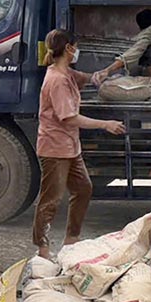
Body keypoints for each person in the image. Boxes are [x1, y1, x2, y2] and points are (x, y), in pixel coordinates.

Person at [33, 29, 126, 259]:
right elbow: (69, 117)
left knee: (83, 188)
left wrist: (101, 75)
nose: (77, 51)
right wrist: (105, 124)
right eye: (75, 46)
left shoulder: (66, 74)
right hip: (55, 148)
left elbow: (82, 77)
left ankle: (71, 240)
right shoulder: (56, 80)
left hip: (70, 147)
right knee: (50, 200)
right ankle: (43, 250)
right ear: (68, 49)